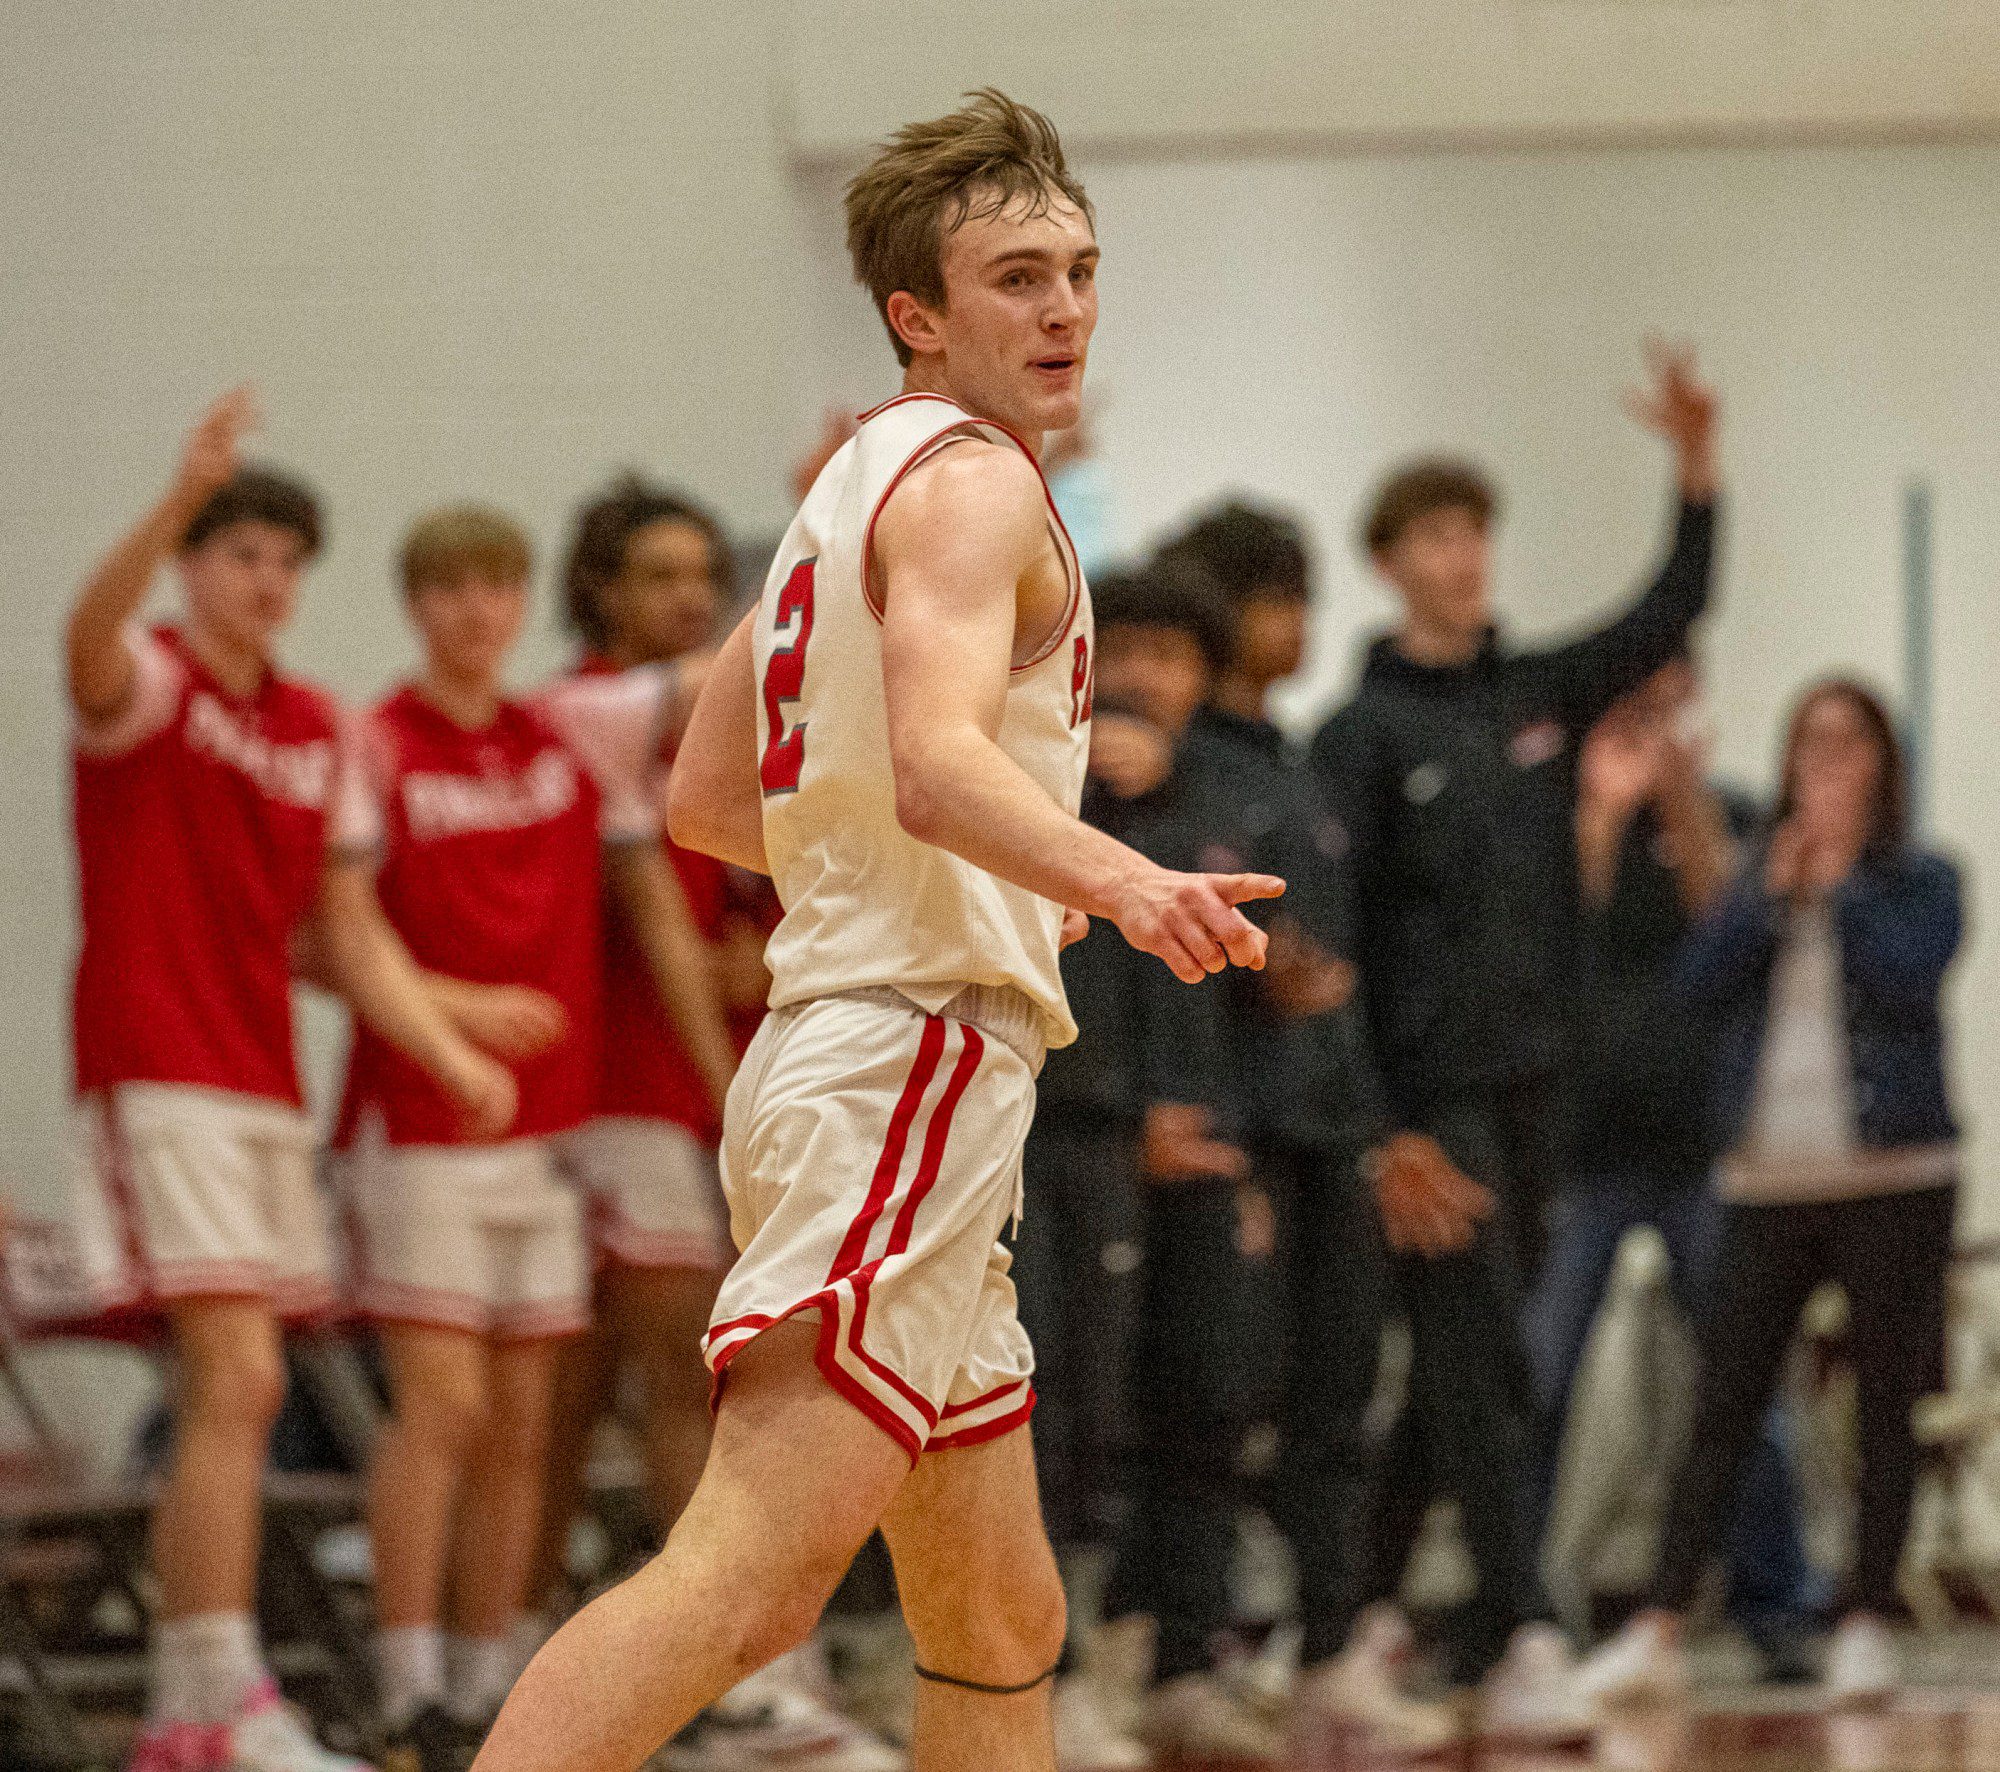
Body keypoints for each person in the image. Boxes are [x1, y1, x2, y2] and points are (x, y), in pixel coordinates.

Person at [471, 89, 1282, 1772]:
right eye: (1014, 279)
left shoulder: (852, 483)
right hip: (905, 1053)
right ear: (917, 313)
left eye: (1077, 270)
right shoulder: (975, 490)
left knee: (999, 1621)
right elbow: (932, 764)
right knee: (752, 1579)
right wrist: (1121, 880)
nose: (1063, 309)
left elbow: (707, 794)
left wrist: (873, 857)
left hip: (860, 1051)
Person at [61, 391, 514, 1772]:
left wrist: (448, 1044)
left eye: (281, 559)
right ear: (192, 566)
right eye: (235, 552)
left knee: (242, 1394)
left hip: (265, 1077)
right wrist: (169, 497)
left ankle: (198, 1706)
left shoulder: (320, 726)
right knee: (239, 1379)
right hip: (159, 1064)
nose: (263, 579)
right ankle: (209, 1698)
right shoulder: (149, 681)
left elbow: (348, 938)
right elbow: (80, 643)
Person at [1310, 343, 1720, 1738]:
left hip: (1552, 1088)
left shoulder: (1537, 693)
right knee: (1483, 1360)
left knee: (1480, 1367)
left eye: (1476, 530)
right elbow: (1338, 952)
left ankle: (1359, 1619)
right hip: (1438, 1100)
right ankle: (1526, 1631)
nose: (1464, 554)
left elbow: (1669, 612)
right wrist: (1384, 1130)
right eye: (1434, 534)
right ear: (1388, 563)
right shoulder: (1358, 738)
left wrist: (1697, 469)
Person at [335, 506, 725, 1772]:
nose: (472, 610)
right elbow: (318, 934)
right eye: (445, 588)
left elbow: (741, 662)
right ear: (413, 604)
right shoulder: (373, 740)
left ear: (518, 601)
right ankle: (402, 1682)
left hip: (547, 1129)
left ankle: (487, 1668)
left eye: (491, 587)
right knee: (441, 1407)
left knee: (522, 1417)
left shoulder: (566, 730)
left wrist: (850, 504)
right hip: (420, 1119)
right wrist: (453, 1013)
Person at [535, 477, 898, 1770]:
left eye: (704, 573)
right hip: (620, 1097)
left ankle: (661, 1664)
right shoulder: (585, 714)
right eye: (661, 576)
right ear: (600, 595)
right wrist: (843, 520)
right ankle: (720, 1673)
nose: (691, 598)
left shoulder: (716, 737)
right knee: (678, 1379)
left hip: (705, 1095)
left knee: (604, 1398)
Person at [1156, 503, 1479, 1759]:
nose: (1295, 624)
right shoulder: (1174, 775)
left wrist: (1375, 1123)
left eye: (1299, 595)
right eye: (1272, 597)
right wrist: (1254, 974)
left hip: (1327, 1126)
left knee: (1336, 1395)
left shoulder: (1300, 765)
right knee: (1208, 1398)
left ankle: (1328, 1651)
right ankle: (1178, 1654)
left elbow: (1344, 973)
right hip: (1231, 1134)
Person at [1580, 680, 1963, 1711]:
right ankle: (1658, 1620)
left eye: (1847, 744)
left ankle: (1866, 1617)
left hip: (1893, 1174)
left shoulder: (1923, 878)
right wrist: (1766, 896)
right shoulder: (1758, 870)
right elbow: (1693, 988)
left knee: (1884, 1403)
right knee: (1724, 1403)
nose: (1825, 763)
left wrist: (1835, 890)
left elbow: (1907, 977)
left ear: (1884, 761)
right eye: (1808, 743)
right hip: (1763, 1176)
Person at [1526, 655, 1821, 1670]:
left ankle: (1774, 1605)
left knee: (1742, 1386)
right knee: (1539, 1374)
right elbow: (1558, 937)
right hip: (1586, 1148)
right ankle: (1520, 1609)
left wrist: (1682, 800)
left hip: (1705, 1146)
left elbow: (1727, 927)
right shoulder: (1564, 818)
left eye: (1662, 712)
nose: (1646, 733)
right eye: (1627, 712)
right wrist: (1599, 819)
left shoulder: (1725, 809)